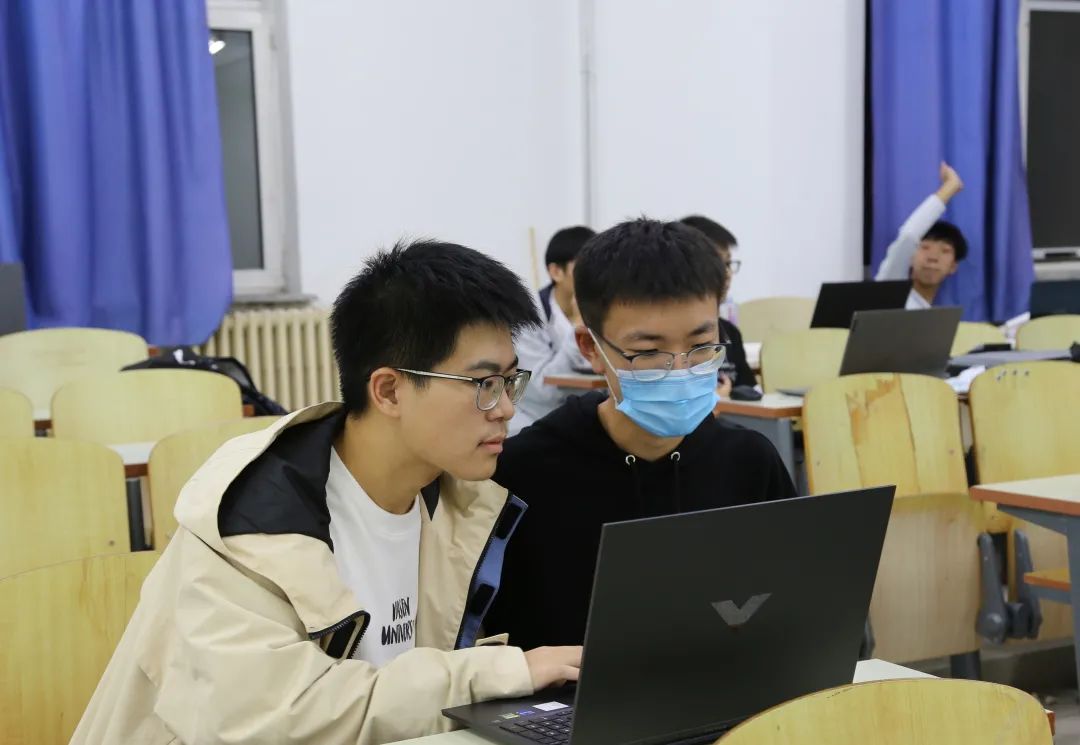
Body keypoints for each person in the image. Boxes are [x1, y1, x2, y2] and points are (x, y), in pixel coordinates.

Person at [71, 241, 582, 744]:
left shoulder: (457, 501)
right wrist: (491, 674)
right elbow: (272, 723)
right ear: (389, 391)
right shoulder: (251, 518)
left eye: (510, 381)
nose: (506, 408)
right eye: (484, 384)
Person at [485, 218, 797, 651]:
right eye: (648, 352)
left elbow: (795, 608)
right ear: (591, 349)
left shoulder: (749, 463)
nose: (681, 368)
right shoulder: (522, 474)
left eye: (701, 345)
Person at [510, 225, 596, 435]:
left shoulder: (603, 311)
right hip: (536, 423)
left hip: (588, 419)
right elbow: (543, 390)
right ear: (556, 271)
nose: (594, 277)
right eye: (583, 268)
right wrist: (577, 328)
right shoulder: (527, 316)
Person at [680, 215, 756, 395]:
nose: (727, 273)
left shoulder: (730, 332)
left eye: (728, 263)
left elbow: (749, 391)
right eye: (717, 264)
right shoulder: (672, 334)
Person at [876, 162, 968, 309]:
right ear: (910, 256)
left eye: (945, 251)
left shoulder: (938, 316)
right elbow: (909, 236)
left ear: (953, 266)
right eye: (925, 247)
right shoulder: (889, 290)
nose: (933, 258)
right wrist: (949, 187)